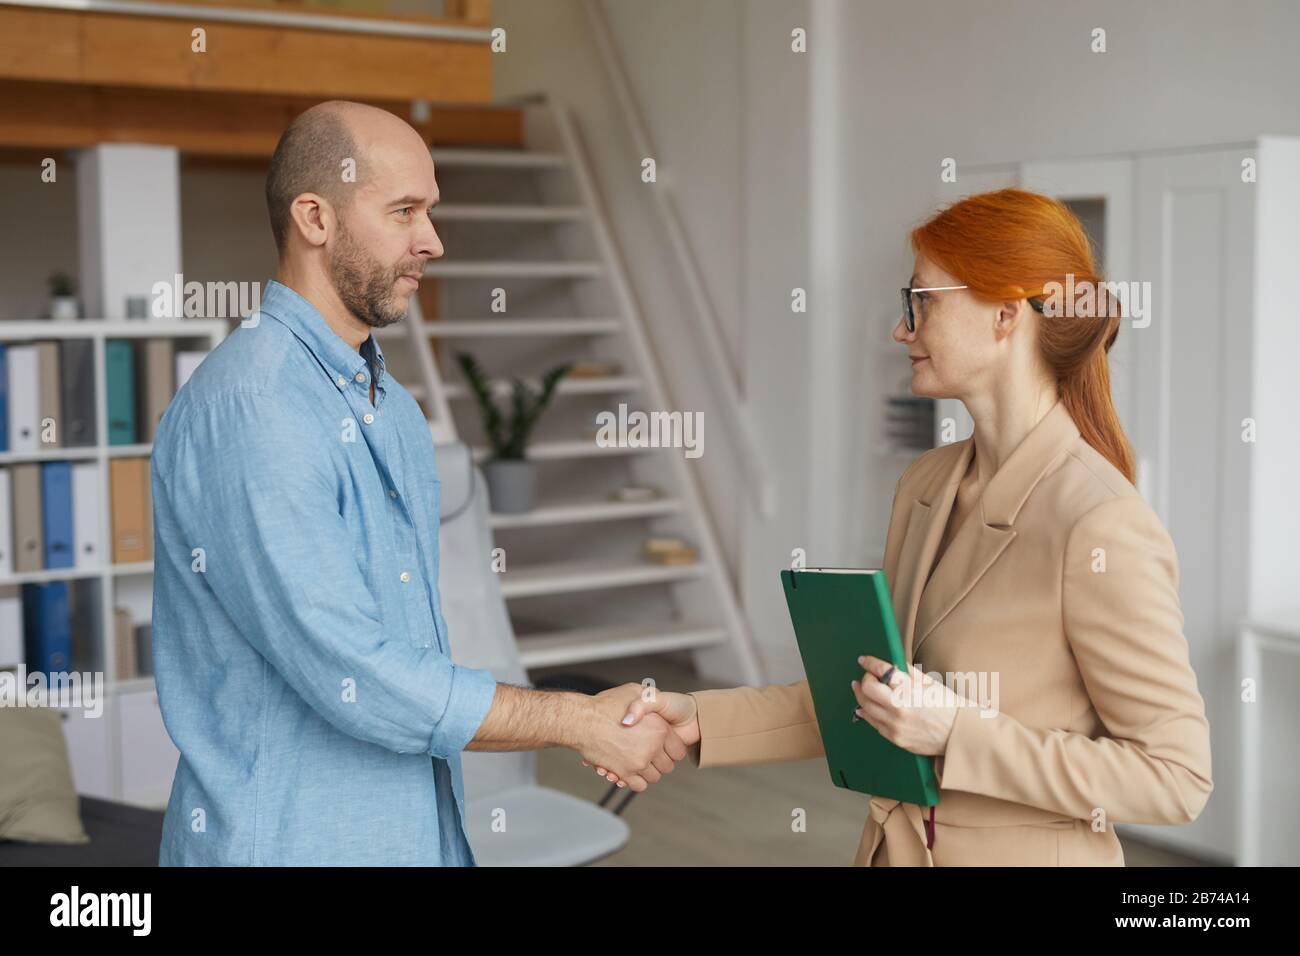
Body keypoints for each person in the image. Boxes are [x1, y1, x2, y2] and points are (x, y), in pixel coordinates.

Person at [591, 189, 1214, 866]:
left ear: (1006, 313)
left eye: (922, 300)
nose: (901, 328)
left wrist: (957, 733)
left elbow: (1175, 778)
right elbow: (876, 695)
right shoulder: (927, 483)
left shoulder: (1099, 522)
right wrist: (697, 718)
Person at [151, 101, 685, 867]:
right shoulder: (254, 408)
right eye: (404, 211)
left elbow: (405, 651)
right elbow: (353, 669)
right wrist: (575, 719)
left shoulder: (393, 408)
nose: (432, 241)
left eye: (429, 211)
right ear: (315, 218)